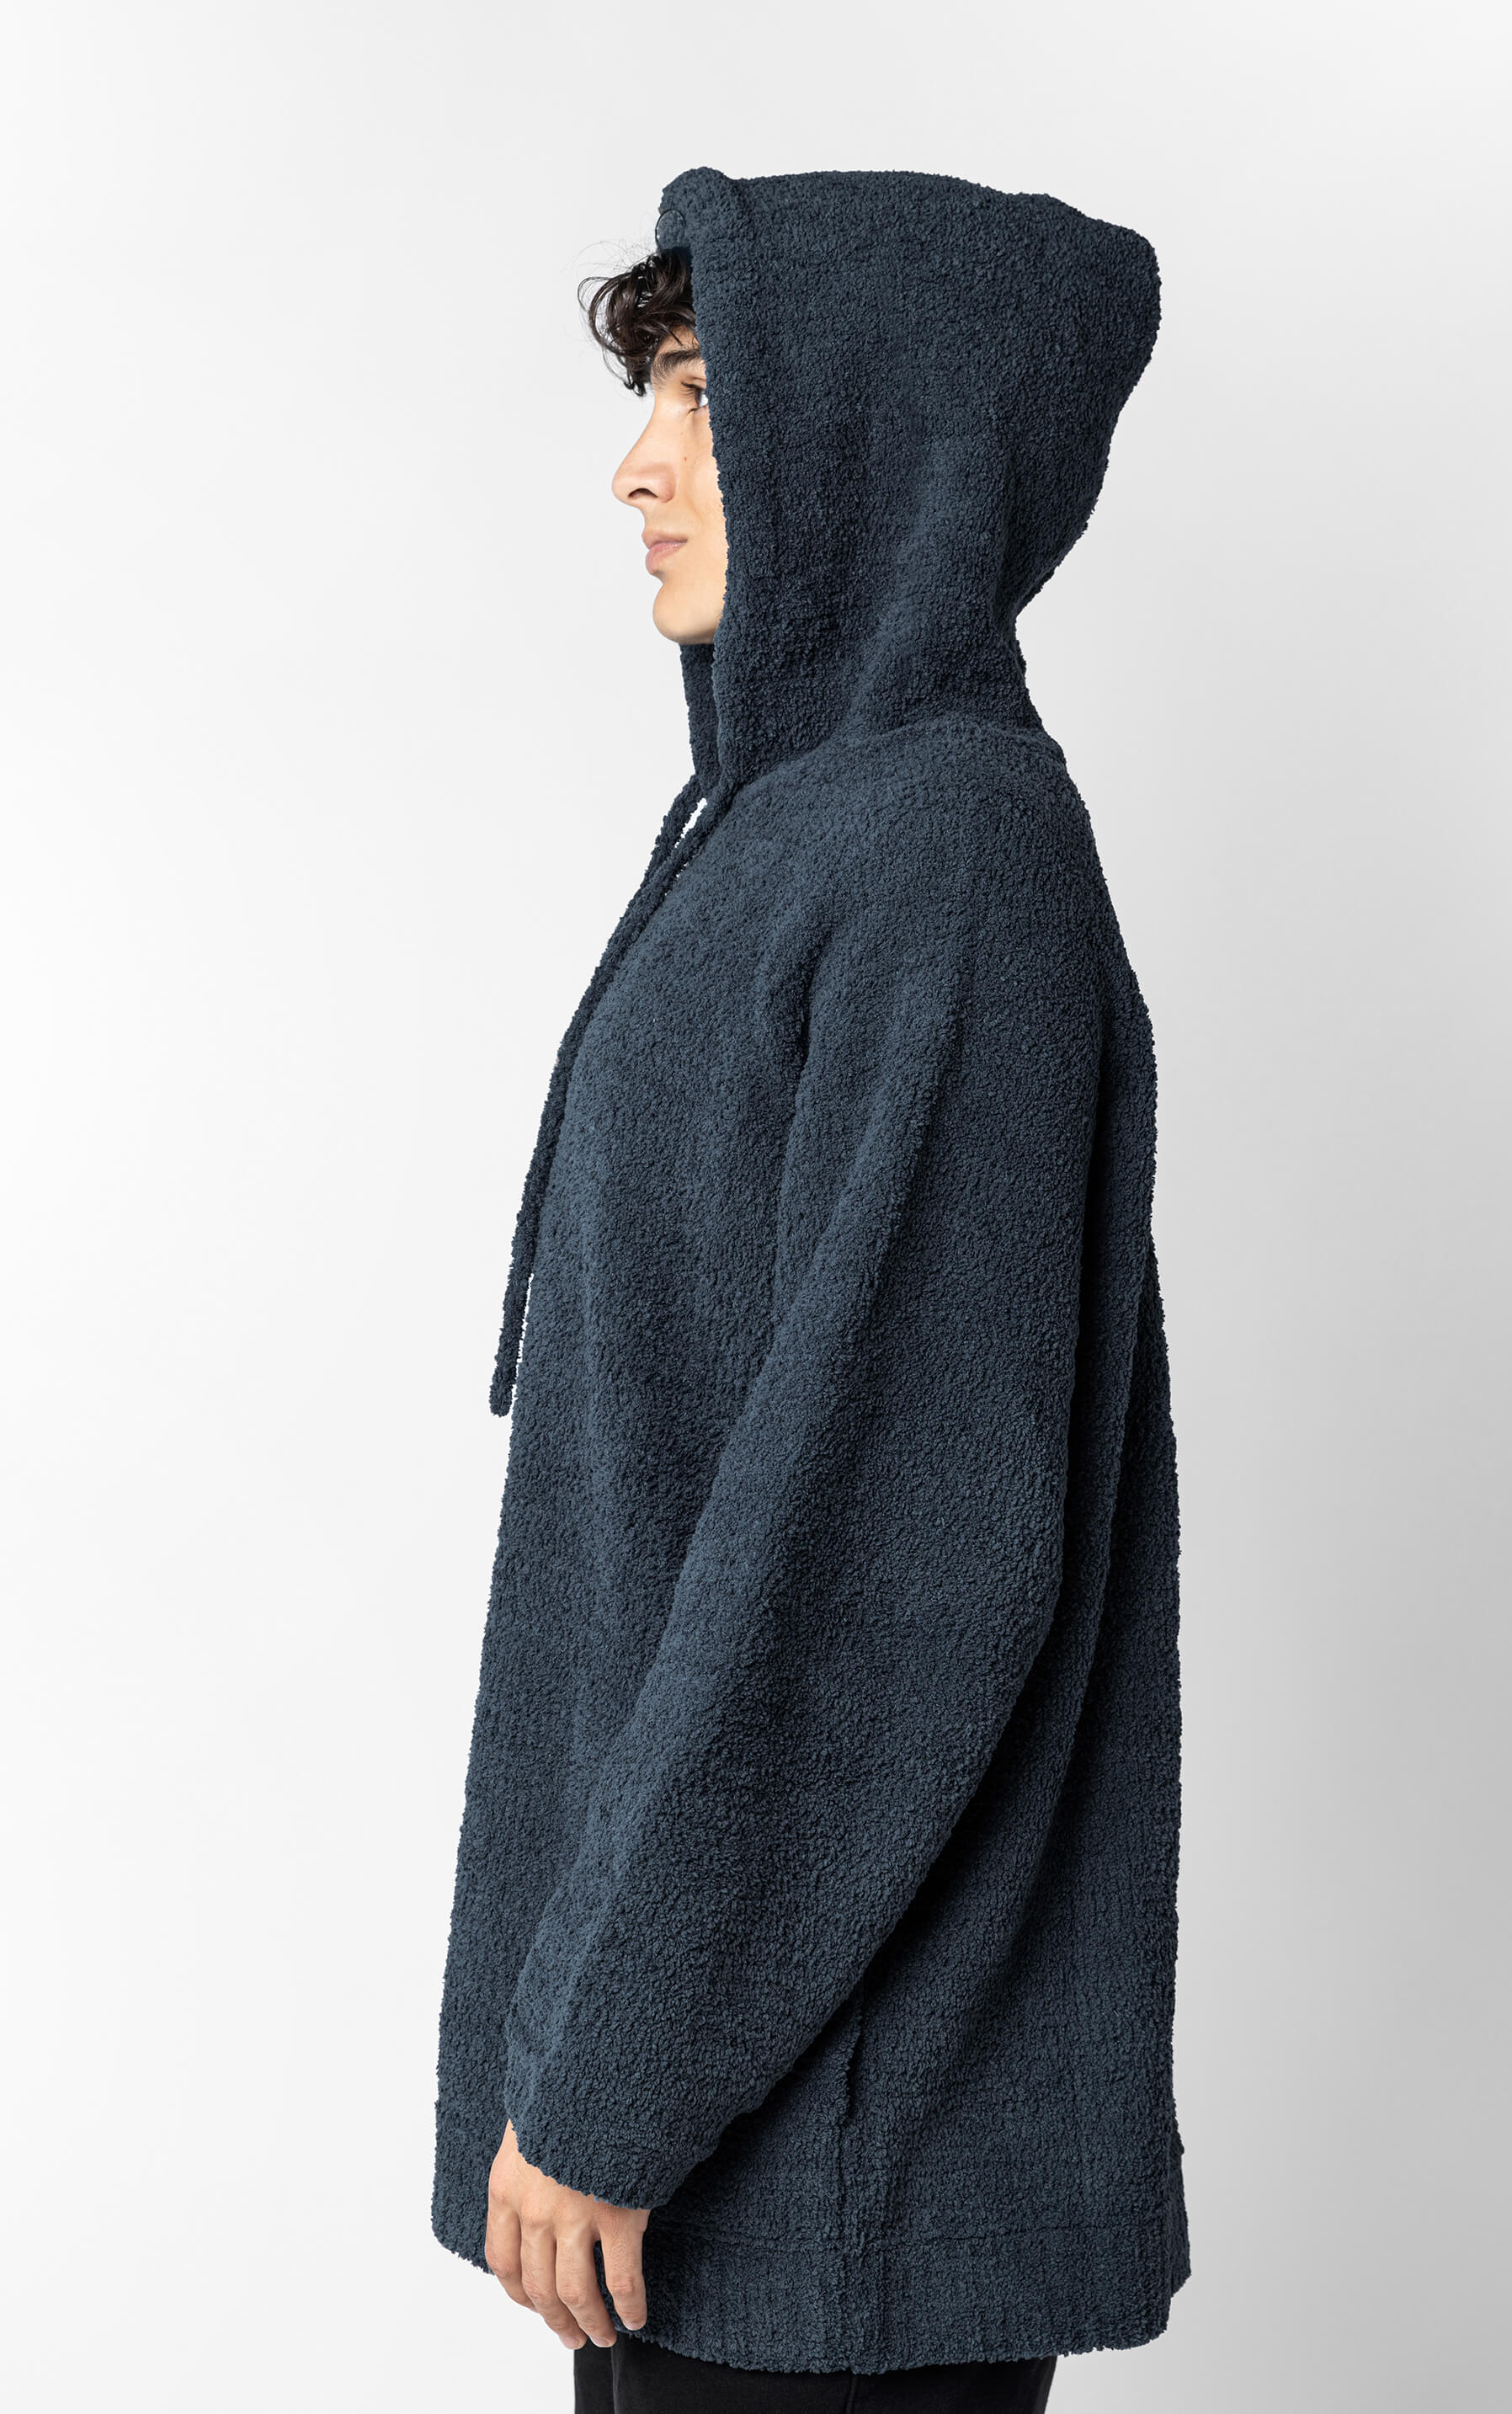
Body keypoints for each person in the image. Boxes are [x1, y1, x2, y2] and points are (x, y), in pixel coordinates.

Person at [432, 167, 1187, 2413]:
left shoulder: (953, 854)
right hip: (733, 2137)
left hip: (831, 2140)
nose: (637, 465)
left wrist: (613, 2074)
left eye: (704, 396)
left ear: (886, 432)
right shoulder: (798, 834)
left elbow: (897, 1553)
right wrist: (595, 2053)